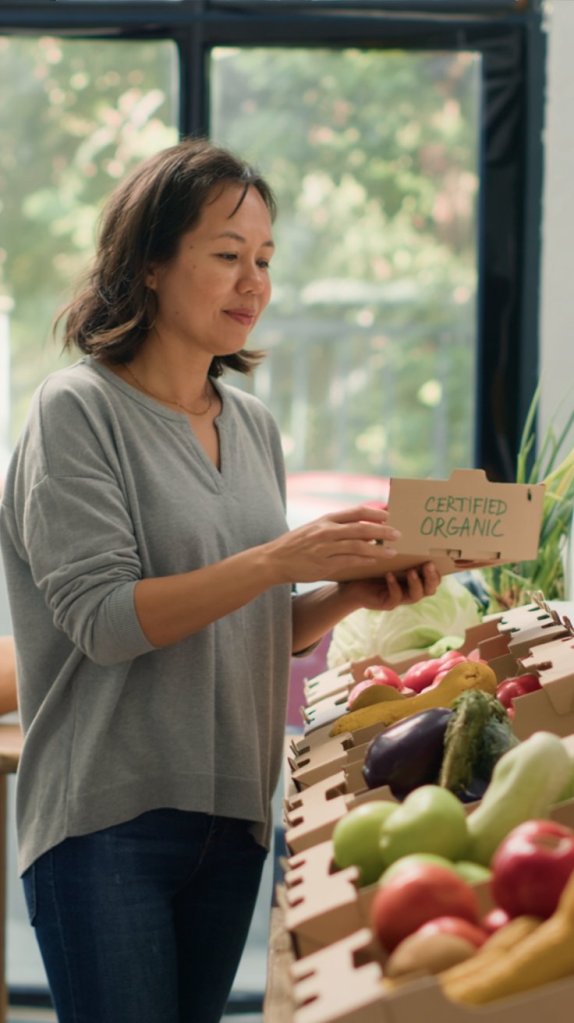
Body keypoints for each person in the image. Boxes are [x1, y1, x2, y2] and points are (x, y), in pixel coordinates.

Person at [0, 137, 440, 1023]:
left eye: (266, 260)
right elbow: (104, 620)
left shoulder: (253, 427)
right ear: (152, 264)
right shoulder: (77, 412)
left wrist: (351, 592)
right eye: (227, 256)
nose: (255, 283)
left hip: (234, 813)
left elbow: (243, 620)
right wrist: (282, 559)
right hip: (105, 823)